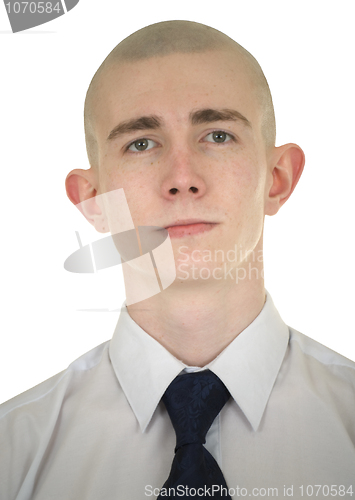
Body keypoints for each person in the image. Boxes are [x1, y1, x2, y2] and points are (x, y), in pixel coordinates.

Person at [1, 20, 354, 500]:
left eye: (217, 135)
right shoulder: (12, 454)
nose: (181, 178)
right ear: (94, 201)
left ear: (277, 178)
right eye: (141, 143)